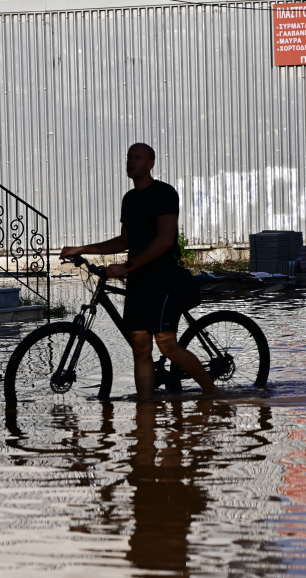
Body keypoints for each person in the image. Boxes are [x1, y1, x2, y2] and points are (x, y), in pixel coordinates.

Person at [59, 143, 220, 401]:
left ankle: (213, 395)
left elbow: (165, 240)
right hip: (138, 282)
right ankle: (144, 410)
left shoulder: (164, 193)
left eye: (138, 157)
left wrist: (127, 266)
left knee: (167, 345)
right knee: (140, 349)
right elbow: (124, 241)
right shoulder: (130, 199)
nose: (131, 161)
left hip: (163, 279)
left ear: (150, 164)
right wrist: (82, 249)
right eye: (129, 157)